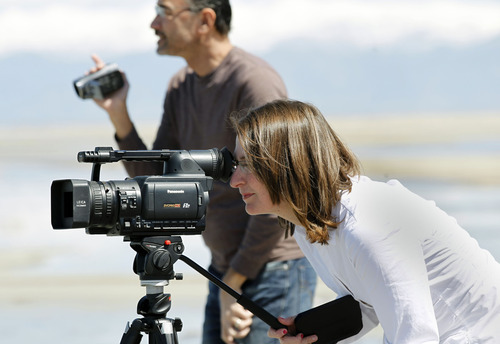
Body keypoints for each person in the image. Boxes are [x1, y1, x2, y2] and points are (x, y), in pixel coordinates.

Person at [85, 1, 317, 343]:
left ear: (205, 20)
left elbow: (278, 192)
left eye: (164, 13)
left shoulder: (253, 82)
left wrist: (235, 282)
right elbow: (155, 181)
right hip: (225, 270)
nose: (154, 23)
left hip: (273, 268)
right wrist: (118, 113)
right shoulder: (181, 87)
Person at [229, 99, 500, 343]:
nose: (234, 181)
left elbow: (416, 337)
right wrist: (314, 333)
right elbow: (368, 302)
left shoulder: (369, 229)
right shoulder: (309, 223)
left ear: (288, 164)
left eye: (248, 164)